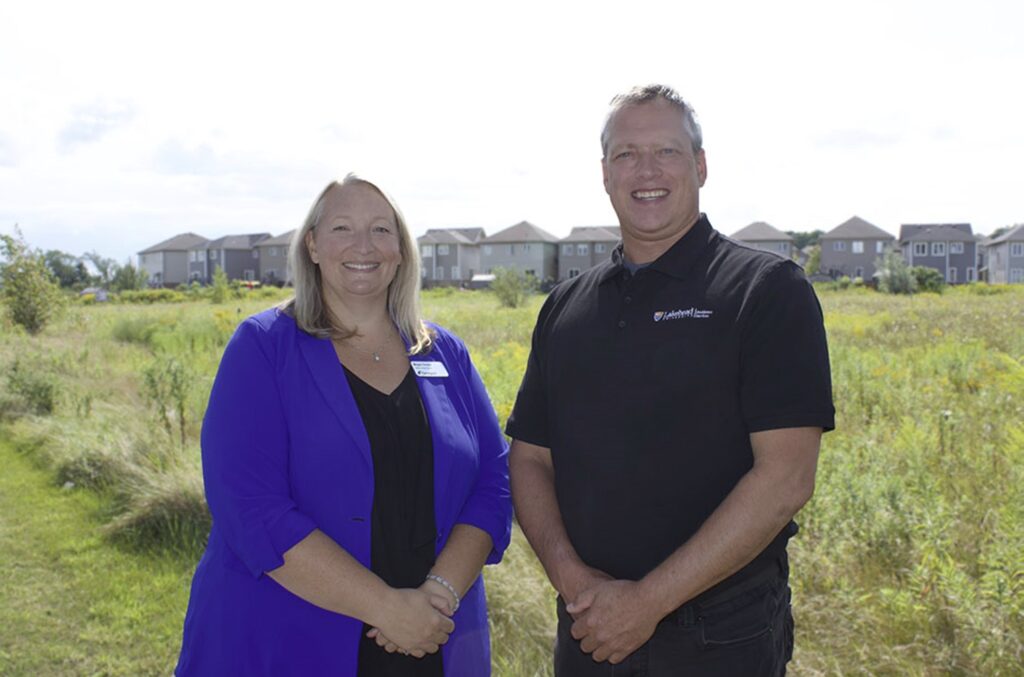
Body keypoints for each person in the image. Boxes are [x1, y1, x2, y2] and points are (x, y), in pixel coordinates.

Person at [506, 85, 835, 675]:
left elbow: (786, 477)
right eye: (627, 154)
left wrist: (648, 602)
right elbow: (530, 459)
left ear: (701, 166)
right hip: (589, 628)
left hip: (721, 637)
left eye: (667, 151)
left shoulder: (766, 291)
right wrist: (576, 583)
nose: (646, 170)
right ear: (604, 174)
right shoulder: (565, 306)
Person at [176, 174, 512, 676]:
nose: (363, 245)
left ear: (400, 249)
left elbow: (494, 482)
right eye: (341, 228)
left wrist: (437, 596)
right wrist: (386, 609)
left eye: (381, 229)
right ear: (312, 244)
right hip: (285, 639)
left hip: (431, 637)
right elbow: (251, 506)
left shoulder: (445, 354)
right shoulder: (263, 347)